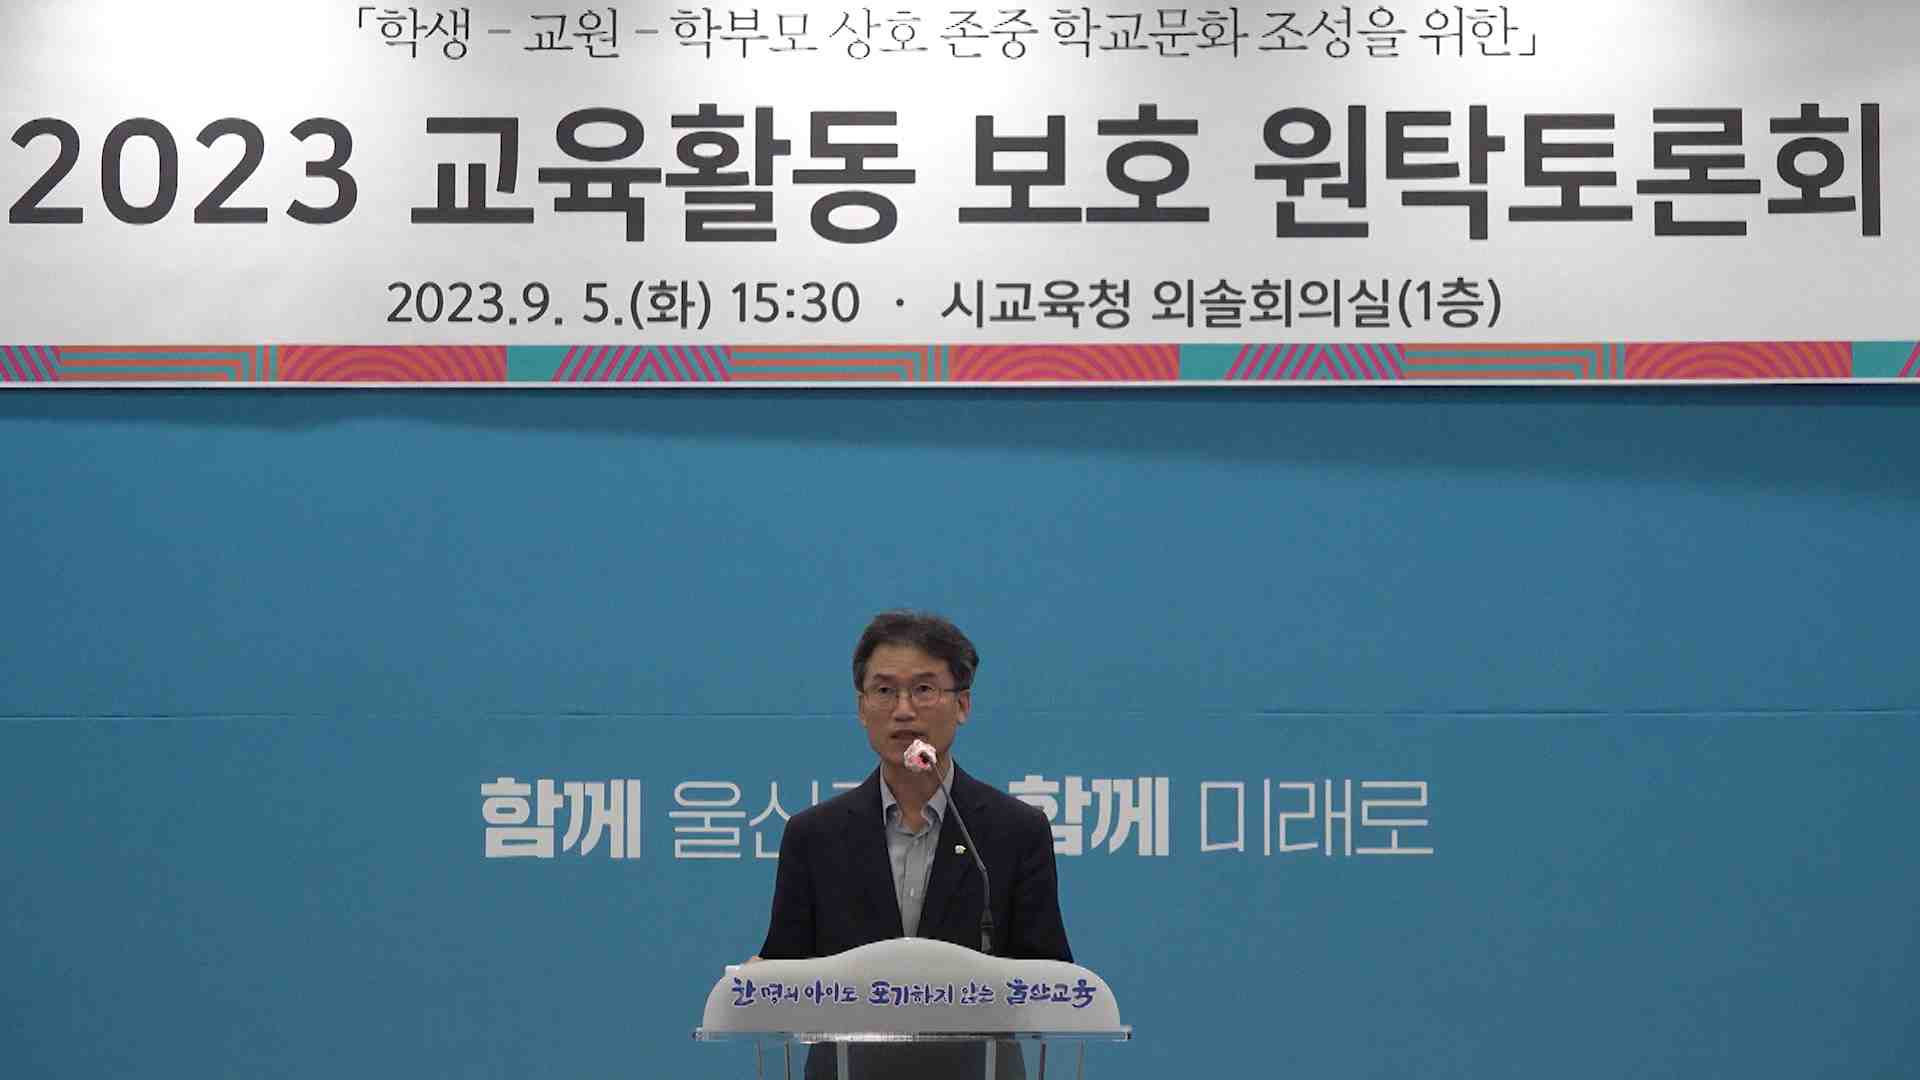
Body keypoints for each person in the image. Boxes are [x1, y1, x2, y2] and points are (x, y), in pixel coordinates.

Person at [757, 611, 1072, 1080]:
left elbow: (1051, 979)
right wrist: (760, 979)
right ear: (862, 707)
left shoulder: (1015, 831)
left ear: (962, 704)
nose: (903, 710)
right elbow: (785, 975)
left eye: (924, 689)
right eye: (884, 691)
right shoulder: (814, 836)